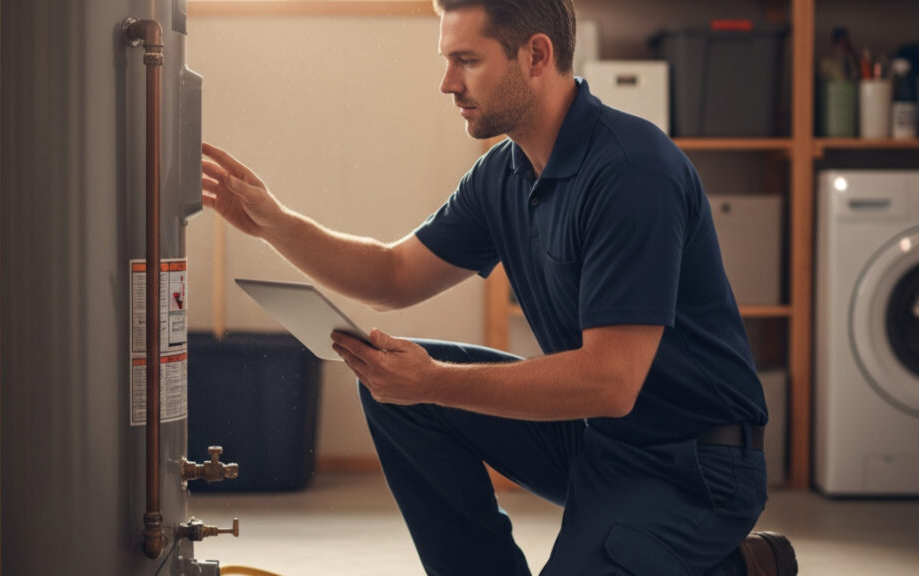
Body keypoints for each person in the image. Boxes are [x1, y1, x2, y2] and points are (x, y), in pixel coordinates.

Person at [201, 0, 798, 573]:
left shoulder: (632, 171)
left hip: (694, 464)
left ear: (535, 55)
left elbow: (612, 382)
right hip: (598, 442)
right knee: (399, 398)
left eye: (467, 60)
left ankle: (736, 566)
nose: (447, 83)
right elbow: (393, 275)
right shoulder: (502, 174)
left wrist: (434, 380)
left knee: (426, 385)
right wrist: (274, 223)